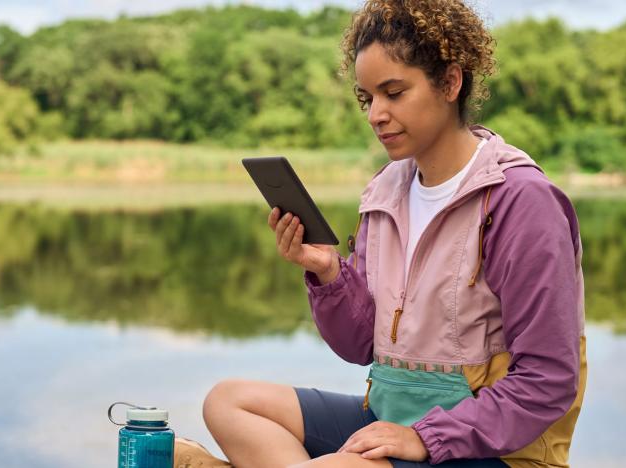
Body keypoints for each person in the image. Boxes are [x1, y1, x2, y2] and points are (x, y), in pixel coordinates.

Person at [203, 1, 587, 467]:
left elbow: (548, 379)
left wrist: (427, 437)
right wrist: (328, 273)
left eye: (394, 93)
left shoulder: (520, 201)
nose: (375, 115)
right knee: (229, 402)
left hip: (495, 451)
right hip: (394, 418)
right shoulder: (385, 194)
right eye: (368, 98)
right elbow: (362, 346)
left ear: (450, 82)